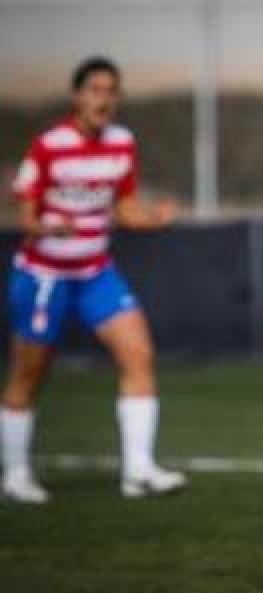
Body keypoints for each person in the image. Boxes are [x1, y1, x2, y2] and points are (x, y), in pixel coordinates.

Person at [4, 56, 186, 504]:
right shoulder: (50, 144)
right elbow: (24, 215)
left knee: (139, 355)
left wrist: (151, 219)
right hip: (45, 275)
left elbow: (122, 207)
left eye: (111, 91)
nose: (103, 99)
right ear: (77, 96)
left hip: (95, 272)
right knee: (29, 374)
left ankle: (139, 472)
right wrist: (49, 227)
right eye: (95, 90)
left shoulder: (122, 143)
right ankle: (14, 475)